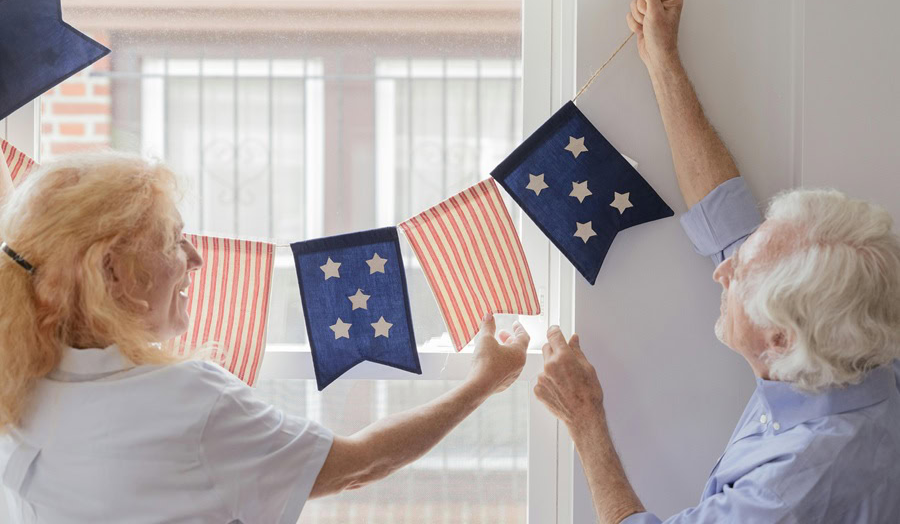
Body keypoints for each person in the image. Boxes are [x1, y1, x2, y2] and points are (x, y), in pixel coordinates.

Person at [534, 0, 900, 523]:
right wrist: (661, 59)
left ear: (781, 338)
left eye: (742, 274)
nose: (722, 267)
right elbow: (724, 217)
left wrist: (586, 421)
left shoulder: (798, 484)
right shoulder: (851, 343)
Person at [0, 152, 530, 522]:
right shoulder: (189, 402)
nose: (196, 258)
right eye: (173, 240)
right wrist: (481, 383)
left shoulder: (17, 382)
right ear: (111, 272)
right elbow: (360, 464)